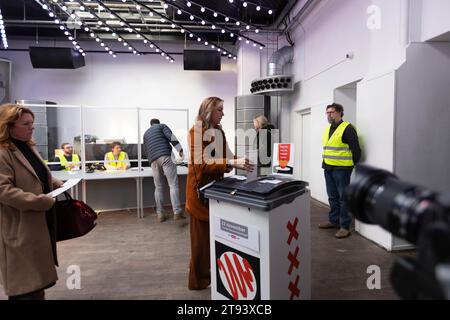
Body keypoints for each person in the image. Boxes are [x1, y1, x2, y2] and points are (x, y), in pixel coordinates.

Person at [186, 97, 253, 290]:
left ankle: (215, 275)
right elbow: (201, 164)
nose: (223, 113)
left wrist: (238, 159)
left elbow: (226, 154)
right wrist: (232, 163)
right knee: (200, 244)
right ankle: (197, 282)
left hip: (216, 191)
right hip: (200, 195)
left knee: (215, 237)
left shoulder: (218, 130)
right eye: (220, 110)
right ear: (208, 111)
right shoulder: (196, 132)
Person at [0, 103, 63, 300]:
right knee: (24, 286)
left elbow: (35, 174)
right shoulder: (3, 152)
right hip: (19, 227)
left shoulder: (26, 147)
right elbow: (4, 190)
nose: (32, 127)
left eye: (32, 123)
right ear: (8, 126)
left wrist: (54, 182)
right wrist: (39, 202)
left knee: (36, 283)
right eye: (26, 123)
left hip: (37, 225)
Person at [319, 103, 361, 239]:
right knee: (332, 196)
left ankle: (345, 226)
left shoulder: (347, 128)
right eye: (327, 112)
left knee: (343, 198)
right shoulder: (328, 129)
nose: (328, 115)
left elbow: (356, 149)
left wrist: (351, 164)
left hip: (342, 169)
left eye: (331, 112)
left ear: (339, 113)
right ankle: (334, 221)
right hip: (328, 167)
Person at [143, 119, 184, 222]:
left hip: (153, 160)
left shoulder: (146, 133)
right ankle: (177, 212)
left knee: (158, 187)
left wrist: (152, 161)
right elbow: (171, 137)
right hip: (166, 156)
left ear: (151, 124)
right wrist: (180, 149)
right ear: (158, 122)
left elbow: (145, 150)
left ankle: (160, 215)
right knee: (173, 185)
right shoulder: (162, 126)